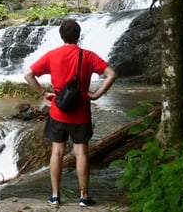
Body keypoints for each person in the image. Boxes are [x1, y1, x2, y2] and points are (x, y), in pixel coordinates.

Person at [23, 19, 117, 207]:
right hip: (81, 112)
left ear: (61, 36)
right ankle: (83, 197)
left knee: (57, 152)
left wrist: (43, 93)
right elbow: (112, 74)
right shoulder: (88, 56)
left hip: (58, 111)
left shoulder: (52, 55)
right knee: (81, 152)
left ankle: (55, 196)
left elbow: (28, 74)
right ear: (78, 35)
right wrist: (96, 95)